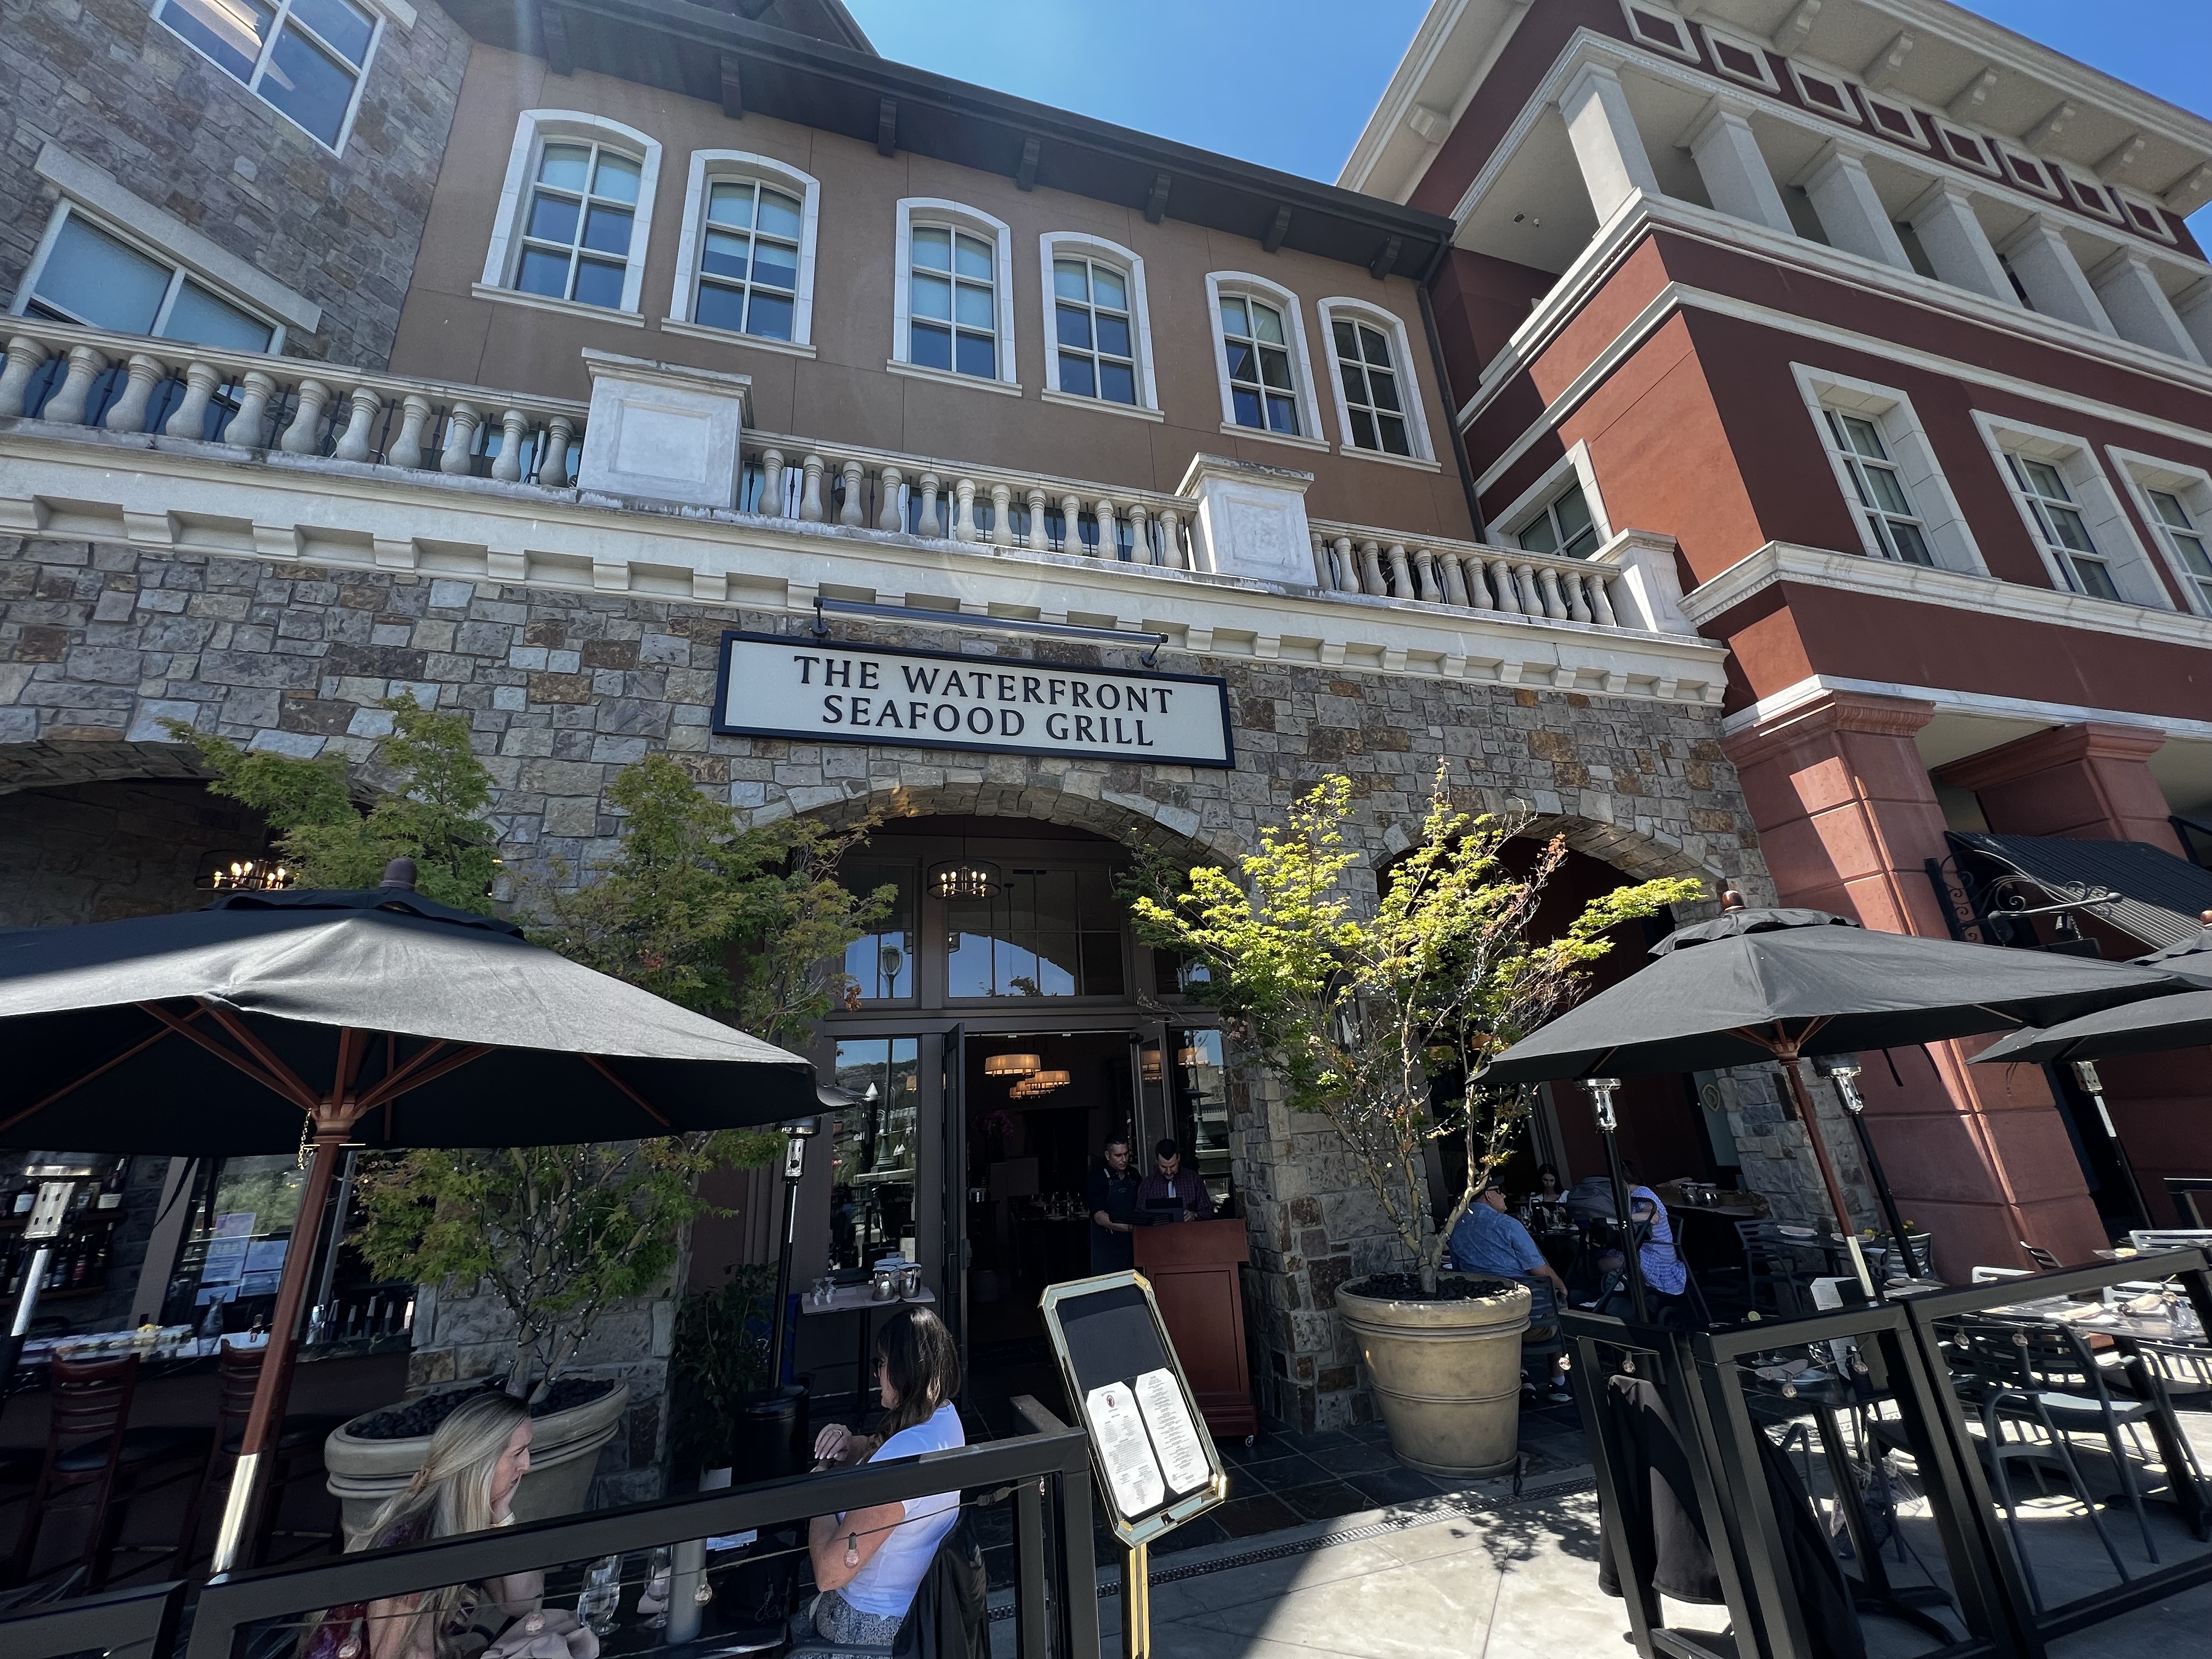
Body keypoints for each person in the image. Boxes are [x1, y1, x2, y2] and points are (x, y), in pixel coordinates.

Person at [313, 1391, 563, 1659]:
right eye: (518, 1453)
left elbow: (522, 1603)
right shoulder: (415, 1543)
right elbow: (401, 1655)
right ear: (480, 1463)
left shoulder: (467, 1524)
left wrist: (502, 1515)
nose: (526, 1465)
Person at [800, 1306, 966, 1646]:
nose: (877, 1374)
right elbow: (885, 1449)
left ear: (905, 1369)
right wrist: (851, 1446)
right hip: (911, 1608)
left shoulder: (901, 1463)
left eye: (883, 1363)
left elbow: (830, 1573)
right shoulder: (943, 1417)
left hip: (866, 1623)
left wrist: (818, 1488)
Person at [1447, 1179, 1572, 1401]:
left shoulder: (1456, 1228)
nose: (1505, 1195)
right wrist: (1562, 1286)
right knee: (1557, 1304)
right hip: (1531, 1322)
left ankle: (1522, 1376)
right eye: (1500, 1191)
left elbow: (1459, 1272)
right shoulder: (1507, 1225)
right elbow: (1540, 1270)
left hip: (1487, 1319)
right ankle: (1558, 1382)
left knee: (1510, 1302)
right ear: (1488, 1195)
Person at [1086, 1134, 1142, 1272]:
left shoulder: (1134, 1174)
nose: (1124, 1160)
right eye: (1118, 1156)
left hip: (1133, 1247)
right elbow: (1099, 1216)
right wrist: (1128, 1228)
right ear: (1107, 1155)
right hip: (1107, 1249)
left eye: (1126, 1154)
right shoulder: (1098, 1177)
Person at [1136, 1138, 1215, 1222]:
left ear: (1179, 1158)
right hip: (1159, 1230)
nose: (1169, 1172)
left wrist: (1194, 1215)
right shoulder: (1147, 1185)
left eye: (1173, 1166)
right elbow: (1140, 1217)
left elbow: (1209, 1212)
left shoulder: (1193, 1179)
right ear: (1157, 1161)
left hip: (1189, 1230)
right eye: (1164, 1167)